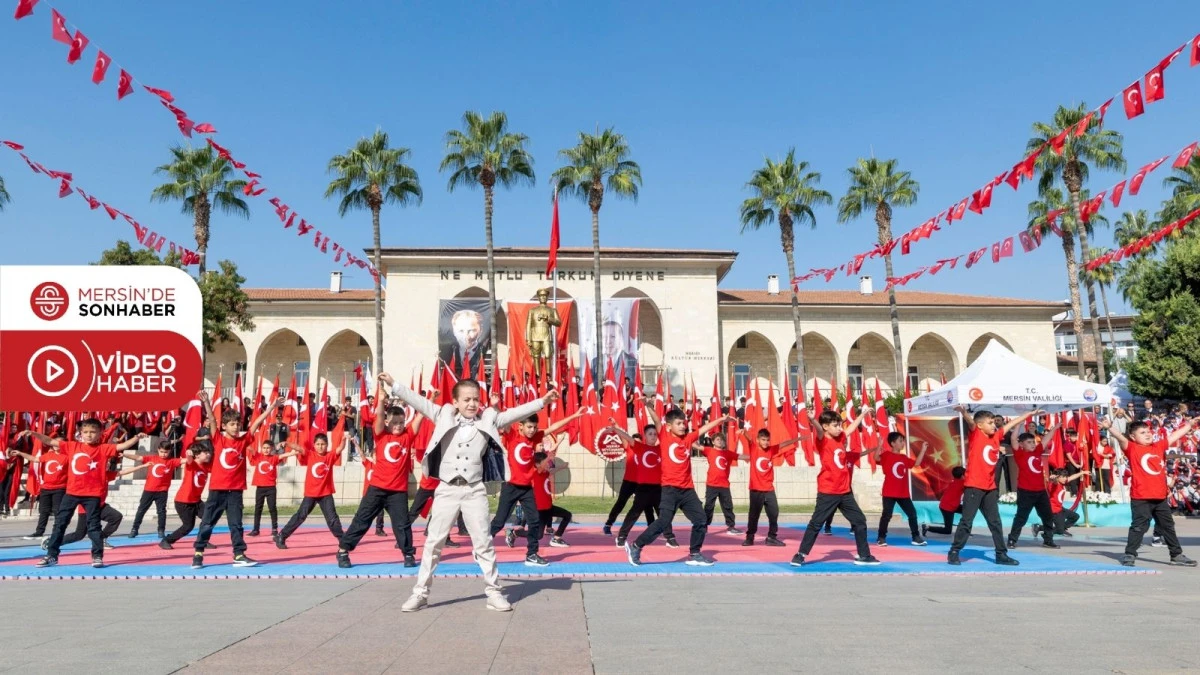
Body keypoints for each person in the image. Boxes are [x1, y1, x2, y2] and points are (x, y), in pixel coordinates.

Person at [383, 372, 554, 613]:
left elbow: (514, 414)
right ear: (455, 402)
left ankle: (494, 593)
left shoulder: (489, 418)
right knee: (434, 543)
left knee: (483, 542)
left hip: (474, 490)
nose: (472, 404)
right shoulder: (443, 414)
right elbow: (418, 402)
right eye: (466, 399)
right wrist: (395, 385)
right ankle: (420, 593)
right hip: (446, 489)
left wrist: (542, 402)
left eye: (475, 399)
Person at [623, 404, 734, 567]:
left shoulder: (688, 439)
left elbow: (704, 429)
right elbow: (656, 419)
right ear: (669, 426)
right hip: (670, 490)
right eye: (679, 423)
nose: (683, 426)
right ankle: (636, 546)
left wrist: (721, 419)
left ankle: (695, 553)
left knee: (701, 519)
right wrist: (647, 405)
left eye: (684, 423)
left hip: (688, 490)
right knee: (663, 522)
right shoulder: (665, 436)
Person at [24, 422, 145, 569]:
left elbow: (122, 446)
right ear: (80, 433)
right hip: (71, 493)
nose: (89, 435)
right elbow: (50, 441)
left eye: (93, 432)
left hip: (92, 495)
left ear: (100, 434)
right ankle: (51, 555)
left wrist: (137, 437)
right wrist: (34, 433)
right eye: (86, 432)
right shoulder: (72, 446)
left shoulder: (103, 449)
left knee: (94, 526)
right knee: (60, 524)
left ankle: (97, 556)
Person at [190, 392, 278, 570]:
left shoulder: (243, 440)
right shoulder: (219, 439)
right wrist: (207, 402)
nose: (236, 426)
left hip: (235, 491)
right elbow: (213, 421)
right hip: (217, 490)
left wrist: (272, 407)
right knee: (208, 522)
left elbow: (256, 424)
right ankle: (198, 554)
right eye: (232, 424)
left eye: (238, 423)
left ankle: (238, 554)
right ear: (224, 426)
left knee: (236, 524)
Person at [489, 407, 584, 566]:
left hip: (527, 488)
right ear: (520, 426)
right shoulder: (512, 435)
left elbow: (553, 428)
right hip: (511, 486)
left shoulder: (535, 438)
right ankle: (481, 549)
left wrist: (574, 415)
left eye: (534, 427)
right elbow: (503, 420)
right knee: (499, 522)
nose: (532, 430)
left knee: (533, 522)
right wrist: (495, 405)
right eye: (529, 427)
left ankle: (532, 555)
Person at [946, 406, 1040, 567]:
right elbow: (971, 422)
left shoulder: (996, 436)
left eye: (994, 423)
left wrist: (1028, 415)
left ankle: (1001, 554)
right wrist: (963, 412)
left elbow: (1010, 425)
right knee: (967, 522)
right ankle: (954, 552)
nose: (993, 425)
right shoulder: (976, 435)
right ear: (981, 425)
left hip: (990, 488)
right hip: (974, 487)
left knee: (995, 522)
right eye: (990, 423)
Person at [337, 398, 423, 569]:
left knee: (402, 524)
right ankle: (343, 551)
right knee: (362, 520)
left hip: (397, 492)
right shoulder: (381, 435)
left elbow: (420, 417)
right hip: (376, 488)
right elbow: (378, 416)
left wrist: (431, 399)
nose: (398, 425)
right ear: (386, 423)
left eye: (401, 422)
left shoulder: (407, 436)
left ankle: (408, 554)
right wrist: (382, 401)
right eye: (394, 422)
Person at [1102, 415, 1199, 567]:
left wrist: (1188, 425)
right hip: (1141, 497)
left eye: (1148, 431)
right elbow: (1121, 438)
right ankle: (1130, 554)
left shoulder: (1158, 446)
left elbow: (1174, 436)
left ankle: (1176, 555)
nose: (1148, 434)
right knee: (1139, 526)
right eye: (1142, 432)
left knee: (1168, 526)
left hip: (1160, 497)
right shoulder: (1132, 448)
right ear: (1133, 437)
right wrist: (1109, 428)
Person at [790, 410, 878, 566]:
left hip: (844, 492)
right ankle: (800, 554)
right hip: (828, 491)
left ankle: (864, 555)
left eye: (839, 425)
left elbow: (850, 429)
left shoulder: (841, 437)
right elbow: (818, 430)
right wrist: (812, 420)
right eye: (835, 425)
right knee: (816, 523)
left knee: (859, 521)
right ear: (825, 426)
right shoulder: (822, 440)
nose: (839, 428)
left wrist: (862, 415)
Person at [607, 424, 677, 549]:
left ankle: (670, 537)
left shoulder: (662, 448)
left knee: (663, 513)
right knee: (634, 513)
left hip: (658, 488)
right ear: (645, 436)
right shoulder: (640, 447)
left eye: (655, 434)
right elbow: (627, 437)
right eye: (650, 434)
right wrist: (615, 429)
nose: (653, 436)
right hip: (643, 488)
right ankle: (622, 536)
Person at [275, 434, 349, 549]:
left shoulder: (330, 456)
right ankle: (282, 536)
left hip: (325, 493)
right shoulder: (310, 454)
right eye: (318, 444)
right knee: (300, 516)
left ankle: (342, 540)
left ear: (327, 445)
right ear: (314, 445)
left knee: (332, 518)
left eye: (323, 444)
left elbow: (340, 448)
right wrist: (287, 443)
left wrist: (344, 439)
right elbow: (299, 448)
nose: (320, 447)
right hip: (311, 493)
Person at [56, 462, 150, 550]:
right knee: (79, 534)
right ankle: (54, 542)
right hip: (86, 508)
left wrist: (142, 466)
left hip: (100, 506)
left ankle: (101, 539)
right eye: (105, 464)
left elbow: (123, 472)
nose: (107, 465)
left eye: (108, 464)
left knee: (116, 517)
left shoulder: (107, 475)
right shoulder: (89, 475)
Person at [744, 429, 803, 547]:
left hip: (769, 489)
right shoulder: (754, 448)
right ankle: (750, 537)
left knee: (774, 513)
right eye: (763, 440)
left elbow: (783, 444)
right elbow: (749, 438)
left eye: (767, 440)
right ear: (758, 440)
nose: (766, 442)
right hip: (756, 489)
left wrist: (797, 439)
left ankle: (771, 537)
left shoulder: (771, 449)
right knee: (754, 515)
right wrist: (743, 430)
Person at [1006, 424, 1060, 550]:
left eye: (1033, 442)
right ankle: (1012, 540)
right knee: (1021, 517)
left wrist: (1055, 428)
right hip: (1026, 491)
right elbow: (1013, 439)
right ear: (1022, 444)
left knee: (1047, 516)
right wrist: (1019, 423)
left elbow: (1046, 439)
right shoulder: (1019, 454)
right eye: (1029, 442)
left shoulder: (1037, 451)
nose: (1033, 444)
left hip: (1041, 491)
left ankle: (1048, 540)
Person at [874, 431, 929, 547]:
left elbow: (917, 463)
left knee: (912, 514)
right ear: (893, 443)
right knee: (887, 515)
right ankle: (881, 537)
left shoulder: (904, 458)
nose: (903, 443)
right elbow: (875, 458)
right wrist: (879, 445)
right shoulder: (887, 455)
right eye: (900, 441)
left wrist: (923, 450)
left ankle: (916, 537)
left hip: (903, 492)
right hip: (889, 491)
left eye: (903, 441)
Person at [159, 444, 213, 550]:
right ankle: (166, 540)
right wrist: (188, 454)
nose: (208, 455)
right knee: (188, 527)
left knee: (209, 518)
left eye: (208, 452)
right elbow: (189, 460)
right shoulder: (192, 465)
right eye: (205, 453)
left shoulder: (206, 466)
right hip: (183, 501)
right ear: (197, 455)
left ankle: (202, 541)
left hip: (196, 501)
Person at [9, 442, 67, 540]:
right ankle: (39, 532)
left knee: (58, 512)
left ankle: (57, 533)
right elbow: (35, 459)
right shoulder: (49, 455)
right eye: (54, 443)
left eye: (59, 443)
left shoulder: (67, 457)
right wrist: (20, 453)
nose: (56, 445)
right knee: (43, 512)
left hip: (60, 488)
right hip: (45, 488)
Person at [128, 441, 182, 540]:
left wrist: (191, 456)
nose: (163, 454)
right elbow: (138, 458)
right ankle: (134, 529)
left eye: (166, 452)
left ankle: (161, 530)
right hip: (148, 490)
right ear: (158, 450)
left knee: (161, 511)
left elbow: (184, 461)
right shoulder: (152, 458)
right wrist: (124, 454)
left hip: (162, 491)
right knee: (141, 510)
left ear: (170, 451)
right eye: (161, 452)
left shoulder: (172, 461)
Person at [248, 439, 299, 536]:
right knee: (258, 508)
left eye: (268, 448)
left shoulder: (274, 458)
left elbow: (284, 455)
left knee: (272, 508)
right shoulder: (258, 456)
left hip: (271, 488)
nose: (266, 450)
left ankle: (274, 529)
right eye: (264, 448)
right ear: (261, 449)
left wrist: (294, 452)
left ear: (271, 449)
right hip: (260, 487)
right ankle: (255, 529)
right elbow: (250, 448)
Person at [702, 432, 742, 535]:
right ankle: (704, 526)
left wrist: (755, 456)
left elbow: (742, 456)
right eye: (718, 439)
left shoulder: (728, 453)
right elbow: (695, 445)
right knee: (709, 506)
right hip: (712, 484)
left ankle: (731, 527)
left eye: (722, 440)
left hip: (724, 485)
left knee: (728, 506)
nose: (720, 441)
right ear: (713, 442)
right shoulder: (709, 450)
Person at [531, 449, 572, 547]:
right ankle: (514, 533)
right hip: (541, 510)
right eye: (545, 462)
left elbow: (552, 471)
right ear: (537, 465)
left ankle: (557, 538)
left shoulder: (546, 472)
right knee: (538, 535)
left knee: (567, 515)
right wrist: (549, 456)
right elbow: (541, 468)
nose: (548, 464)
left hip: (549, 508)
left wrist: (562, 467)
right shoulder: (537, 473)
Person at [921, 466, 966, 536]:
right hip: (947, 508)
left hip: (949, 505)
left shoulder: (954, 481)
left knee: (968, 512)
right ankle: (927, 527)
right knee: (947, 530)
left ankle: (965, 530)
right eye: (965, 474)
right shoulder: (962, 483)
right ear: (962, 476)